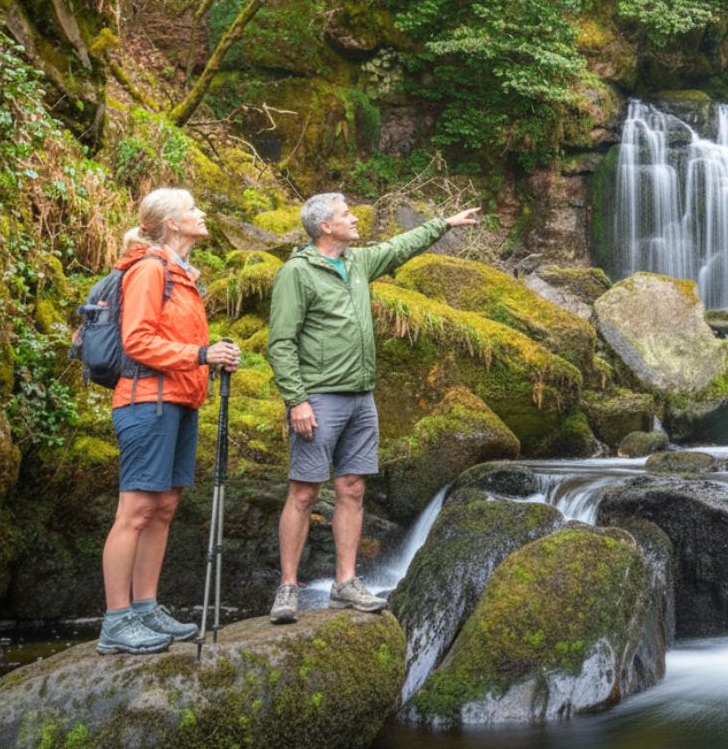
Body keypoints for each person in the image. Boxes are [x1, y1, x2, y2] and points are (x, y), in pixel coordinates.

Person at [266, 193, 481, 621]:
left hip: (362, 398)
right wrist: (297, 400)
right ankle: (288, 587)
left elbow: (401, 246)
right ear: (325, 226)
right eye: (346, 215)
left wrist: (445, 223)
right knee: (305, 491)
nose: (354, 218)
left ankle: (345, 582)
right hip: (319, 398)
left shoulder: (359, 264)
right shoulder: (297, 273)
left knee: (353, 489)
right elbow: (281, 342)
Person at [96, 188, 242, 655]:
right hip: (146, 402)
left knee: (163, 509)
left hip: (179, 401)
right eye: (194, 209)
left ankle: (145, 607)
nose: (203, 213)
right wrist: (200, 354)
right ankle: (116, 621)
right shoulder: (148, 270)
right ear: (173, 224)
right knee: (136, 511)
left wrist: (211, 358)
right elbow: (137, 341)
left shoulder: (182, 276)